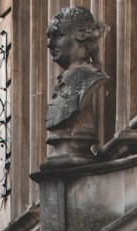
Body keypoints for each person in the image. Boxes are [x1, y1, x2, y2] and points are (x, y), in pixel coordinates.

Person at [46, 5, 108, 154]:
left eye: (58, 35)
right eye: (50, 37)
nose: (50, 44)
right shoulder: (64, 81)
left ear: (81, 35)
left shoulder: (89, 78)